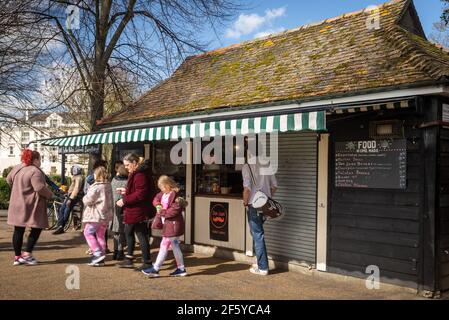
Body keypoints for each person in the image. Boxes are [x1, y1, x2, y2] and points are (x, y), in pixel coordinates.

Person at [6, 149, 54, 265]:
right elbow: (39, 188)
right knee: (37, 227)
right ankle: (27, 254)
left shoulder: (17, 168)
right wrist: (51, 195)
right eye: (40, 159)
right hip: (30, 205)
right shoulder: (35, 171)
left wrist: (18, 189)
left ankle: (17, 257)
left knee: (18, 230)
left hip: (16, 203)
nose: (40, 162)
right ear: (36, 160)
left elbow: (8, 179)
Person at [142, 175, 187, 277]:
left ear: (167, 185)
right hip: (170, 225)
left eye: (162, 187)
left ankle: (156, 268)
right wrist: (158, 205)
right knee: (175, 246)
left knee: (164, 246)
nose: (161, 189)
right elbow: (156, 198)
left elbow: (173, 211)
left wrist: (161, 211)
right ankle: (181, 268)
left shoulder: (176, 196)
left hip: (173, 225)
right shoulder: (164, 193)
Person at [116, 154, 156, 270]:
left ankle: (146, 262)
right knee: (132, 232)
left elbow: (140, 194)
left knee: (141, 234)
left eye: (128, 165)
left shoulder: (139, 175)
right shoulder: (139, 173)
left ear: (134, 163)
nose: (126, 167)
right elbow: (139, 191)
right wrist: (126, 191)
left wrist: (124, 200)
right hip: (137, 209)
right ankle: (130, 259)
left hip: (138, 209)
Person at [242, 154, 278, 276]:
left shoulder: (247, 167)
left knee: (257, 234)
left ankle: (263, 267)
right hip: (266, 205)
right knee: (257, 233)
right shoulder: (267, 165)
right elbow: (274, 186)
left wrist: (245, 202)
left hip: (254, 205)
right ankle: (260, 261)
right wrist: (267, 199)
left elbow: (247, 189)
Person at [82, 166, 114, 266]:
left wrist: (84, 198)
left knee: (88, 232)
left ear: (97, 175)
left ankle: (97, 253)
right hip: (105, 215)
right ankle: (101, 258)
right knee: (100, 235)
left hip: (95, 215)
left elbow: (88, 200)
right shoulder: (108, 185)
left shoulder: (96, 187)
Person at [52, 165, 84, 235]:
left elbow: (76, 189)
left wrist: (70, 199)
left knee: (66, 210)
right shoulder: (76, 177)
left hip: (72, 197)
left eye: (72, 169)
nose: (71, 171)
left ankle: (61, 226)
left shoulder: (79, 178)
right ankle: (60, 225)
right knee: (62, 210)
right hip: (70, 196)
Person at [110, 163, 128, 260]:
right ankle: (120, 252)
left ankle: (115, 251)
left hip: (113, 208)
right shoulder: (128, 182)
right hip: (123, 208)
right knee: (121, 232)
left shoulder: (113, 180)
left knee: (115, 232)